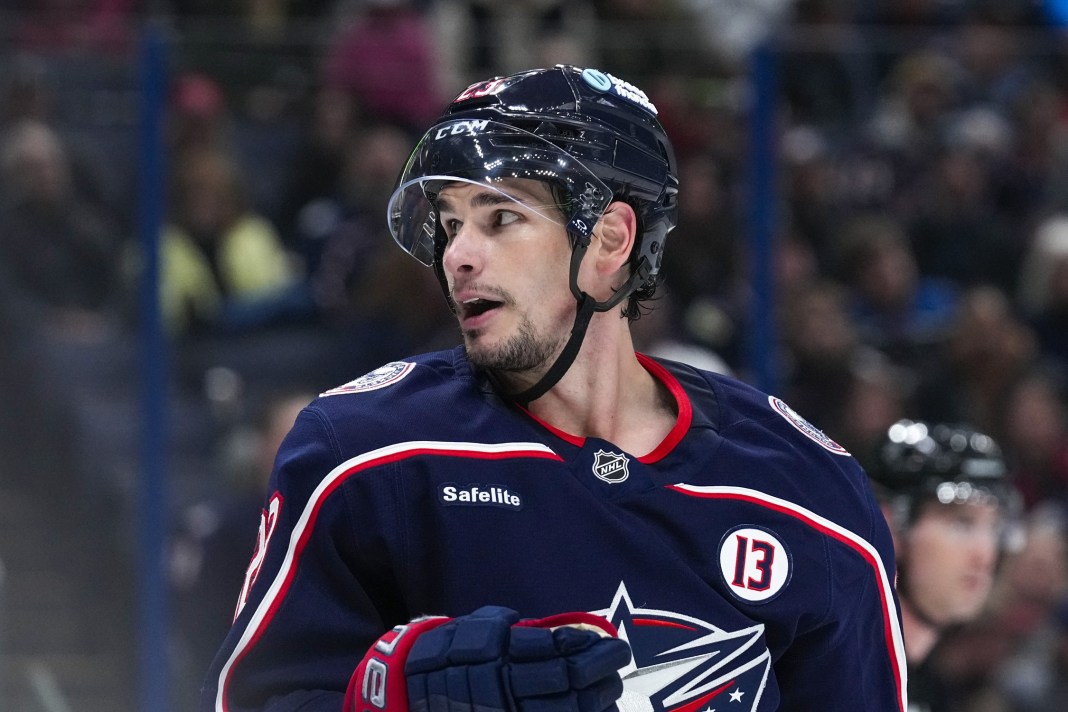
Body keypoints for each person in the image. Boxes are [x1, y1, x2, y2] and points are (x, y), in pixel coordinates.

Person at [200, 65, 907, 712]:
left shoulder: (810, 492)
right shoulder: (363, 454)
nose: (458, 256)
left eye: (500, 217)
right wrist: (383, 700)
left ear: (609, 241)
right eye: (450, 225)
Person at [865, 418, 1020, 712]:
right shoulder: (826, 671)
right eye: (962, 524)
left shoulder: (933, 688)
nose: (985, 555)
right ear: (889, 526)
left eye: (994, 527)